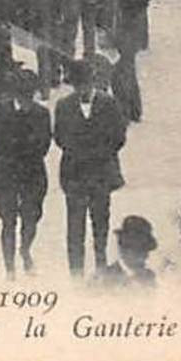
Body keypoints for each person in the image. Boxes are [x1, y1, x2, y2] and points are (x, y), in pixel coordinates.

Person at [54, 59, 127, 278]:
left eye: (85, 83)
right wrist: (79, 150)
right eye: (78, 85)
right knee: (75, 226)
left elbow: (119, 137)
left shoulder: (109, 104)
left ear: (92, 82)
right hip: (74, 173)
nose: (82, 89)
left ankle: (101, 265)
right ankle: (75, 272)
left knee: (100, 222)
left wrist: (98, 151)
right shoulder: (64, 106)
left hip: (101, 173)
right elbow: (59, 137)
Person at [0, 68, 51, 279]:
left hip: (32, 174)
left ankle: (25, 249)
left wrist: (15, 146)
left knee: (31, 219)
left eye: (29, 95)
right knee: (8, 221)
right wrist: (20, 148)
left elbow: (44, 145)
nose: (26, 100)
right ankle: (10, 267)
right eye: (23, 95)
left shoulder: (42, 114)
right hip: (6, 173)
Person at [97, 215, 158, 289]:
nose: (144, 256)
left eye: (145, 249)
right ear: (122, 249)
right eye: (137, 250)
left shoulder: (151, 279)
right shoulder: (102, 279)